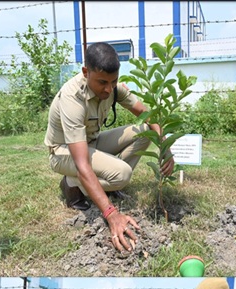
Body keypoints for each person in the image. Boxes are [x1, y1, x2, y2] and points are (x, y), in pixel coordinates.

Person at [44, 42, 174, 253]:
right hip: (63, 153)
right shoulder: (72, 98)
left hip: (91, 142)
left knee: (144, 130)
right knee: (122, 174)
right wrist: (112, 214)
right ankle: (72, 183)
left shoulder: (113, 87)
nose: (108, 88)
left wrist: (165, 147)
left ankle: (109, 184)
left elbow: (147, 114)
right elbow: (82, 162)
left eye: (113, 81)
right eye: (102, 82)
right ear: (86, 72)